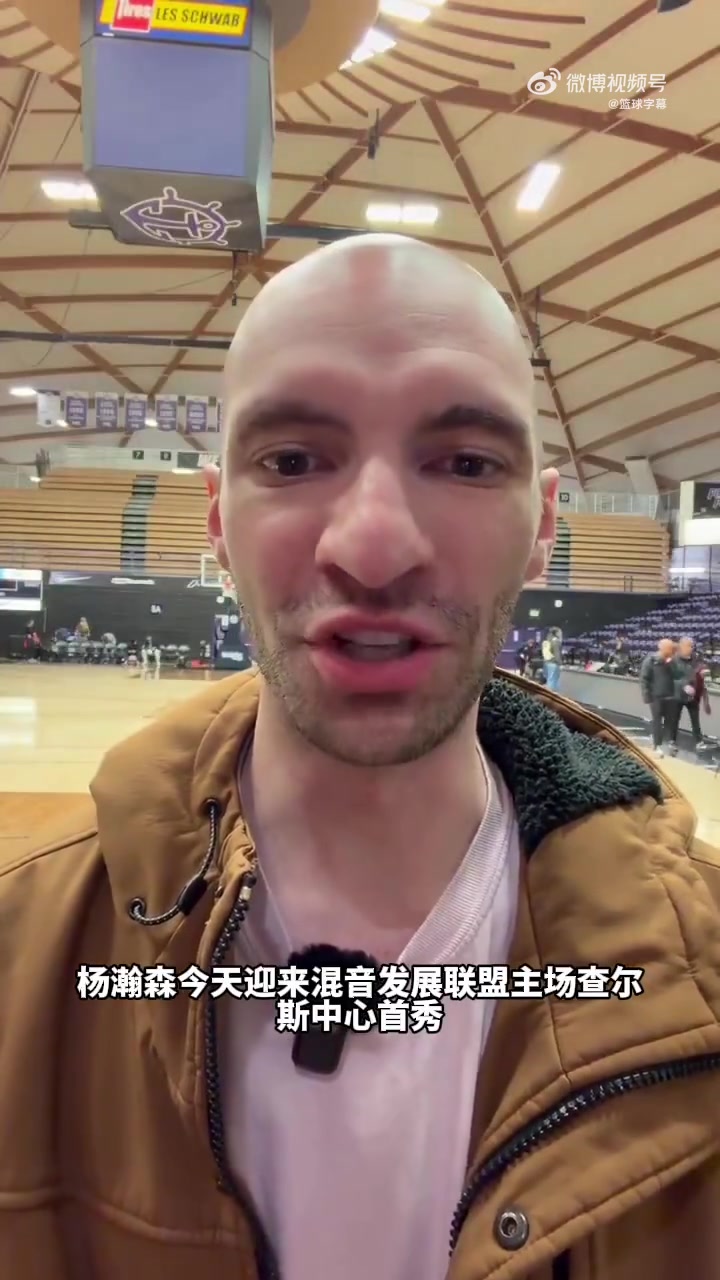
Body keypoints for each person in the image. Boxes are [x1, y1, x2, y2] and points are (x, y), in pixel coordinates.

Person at [2, 235, 720, 1280]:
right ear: (218, 519)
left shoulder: (703, 972)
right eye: (292, 461)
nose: (374, 547)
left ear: (544, 525)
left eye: (465, 462)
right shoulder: (20, 955)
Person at [669, 636, 711, 755]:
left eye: (692, 646)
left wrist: (703, 672)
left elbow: (701, 668)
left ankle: (699, 741)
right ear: (681, 646)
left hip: (692, 696)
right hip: (677, 695)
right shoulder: (673, 661)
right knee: (674, 719)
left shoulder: (695, 659)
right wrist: (683, 685)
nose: (692, 648)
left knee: (695, 720)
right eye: (689, 646)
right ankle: (672, 740)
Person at [639, 637, 679, 758]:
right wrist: (646, 696)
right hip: (656, 697)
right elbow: (644, 679)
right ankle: (657, 745)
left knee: (671, 722)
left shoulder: (673, 662)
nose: (670, 650)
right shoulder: (651, 661)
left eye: (671, 648)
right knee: (657, 721)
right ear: (661, 648)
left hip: (670, 696)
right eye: (668, 648)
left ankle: (671, 743)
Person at [541, 625, 562, 690]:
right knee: (553, 681)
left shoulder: (547, 640)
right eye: (559, 632)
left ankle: (549, 693)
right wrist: (560, 663)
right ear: (556, 633)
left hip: (546, 662)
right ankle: (552, 694)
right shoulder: (555, 641)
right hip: (554, 663)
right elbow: (557, 653)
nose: (560, 634)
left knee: (549, 680)